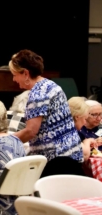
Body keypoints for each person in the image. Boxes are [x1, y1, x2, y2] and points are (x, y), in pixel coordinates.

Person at [8, 49, 84, 177]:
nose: (14, 79)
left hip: (57, 162)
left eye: (15, 74)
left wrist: (5, 140)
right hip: (70, 155)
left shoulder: (38, 94)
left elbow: (31, 131)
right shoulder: (51, 85)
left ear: (26, 73)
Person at [68, 97, 97, 161]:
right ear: (77, 117)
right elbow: (84, 155)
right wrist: (87, 141)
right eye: (85, 119)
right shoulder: (69, 131)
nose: (85, 123)